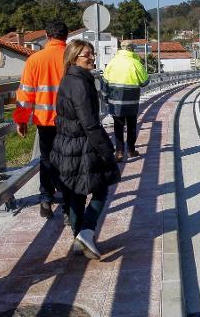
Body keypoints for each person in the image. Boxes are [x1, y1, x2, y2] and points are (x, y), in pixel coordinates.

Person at [50, 40, 120, 259]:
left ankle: (78, 238)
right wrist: (107, 151)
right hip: (82, 145)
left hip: (66, 144)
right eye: (86, 55)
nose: (92, 58)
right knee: (102, 185)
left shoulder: (69, 79)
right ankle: (87, 231)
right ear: (74, 58)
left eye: (92, 54)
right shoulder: (80, 83)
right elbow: (89, 122)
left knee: (76, 193)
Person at [13, 20, 69, 220]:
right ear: (66, 37)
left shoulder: (34, 60)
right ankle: (68, 197)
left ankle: (46, 199)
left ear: (47, 36)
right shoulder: (72, 58)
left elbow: (25, 94)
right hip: (70, 120)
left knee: (46, 159)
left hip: (44, 120)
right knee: (69, 159)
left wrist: (21, 120)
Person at [101, 40, 149, 162]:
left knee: (118, 127)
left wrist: (105, 97)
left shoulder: (112, 63)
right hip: (131, 102)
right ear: (132, 49)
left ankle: (119, 152)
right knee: (132, 126)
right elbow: (144, 82)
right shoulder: (135, 63)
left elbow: (104, 83)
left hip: (115, 102)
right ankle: (131, 150)